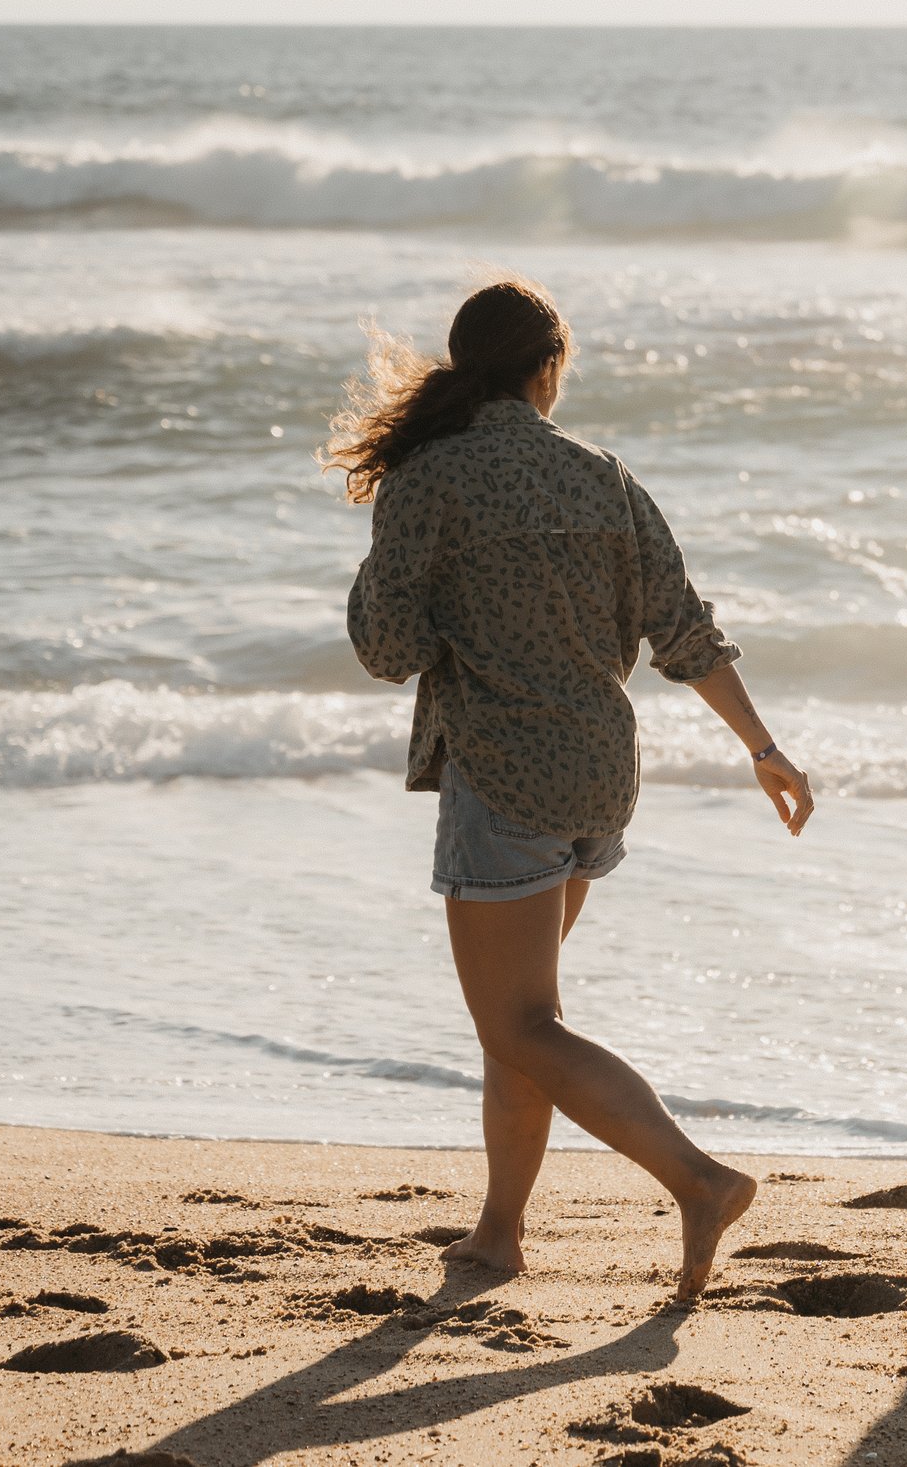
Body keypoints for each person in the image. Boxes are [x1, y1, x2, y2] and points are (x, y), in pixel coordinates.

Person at [326, 277, 813, 1303]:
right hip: (598, 776)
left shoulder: (432, 478)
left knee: (518, 1025)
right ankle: (499, 1231)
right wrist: (762, 744)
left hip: (504, 776)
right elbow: (683, 628)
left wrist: (382, 579)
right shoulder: (603, 475)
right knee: (529, 1016)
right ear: (547, 369)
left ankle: (699, 1177)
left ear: (469, 366)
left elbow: (387, 649)